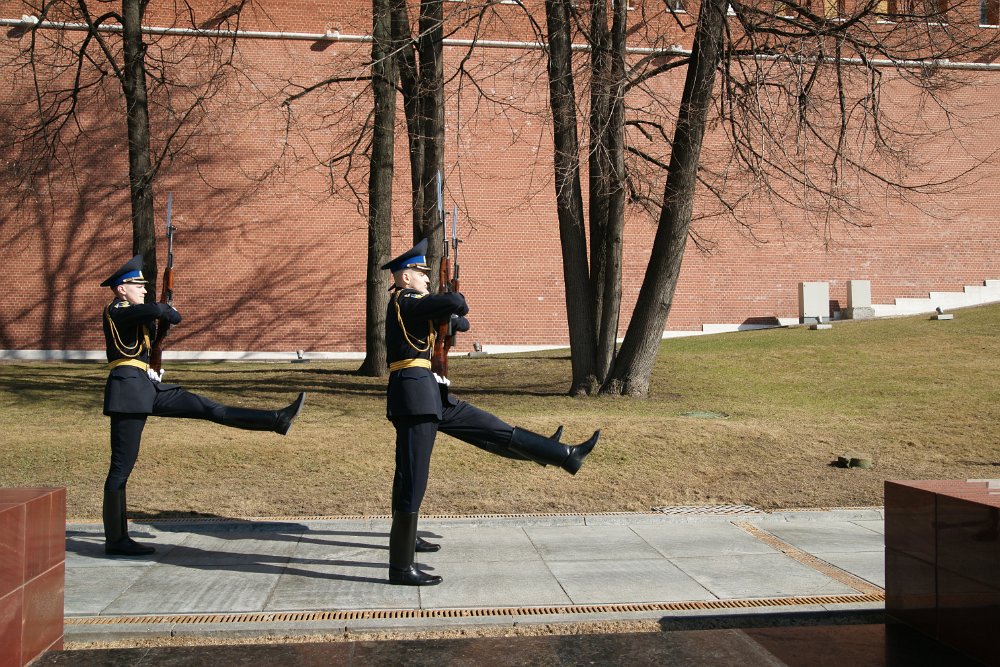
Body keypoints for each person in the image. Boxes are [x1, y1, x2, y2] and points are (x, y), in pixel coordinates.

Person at [382, 239, 600, 586]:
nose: (426, 279)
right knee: (412, 476)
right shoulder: (405, 301)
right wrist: (451, 298)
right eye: (421, 274)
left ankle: (564, 454)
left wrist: (449, 314)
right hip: (414, 398)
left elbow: (461, 323)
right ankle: (400, 567)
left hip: (430, 396)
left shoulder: (416, 307)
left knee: (490, 427)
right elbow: (457, 304)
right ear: (405, 277)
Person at [100, 255, 306, 556]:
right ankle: (116, 540)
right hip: (128, 395)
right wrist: (165, 308)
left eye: (144, 285)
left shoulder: (135, 315)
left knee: (208, 408)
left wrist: (166, 318)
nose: (143, 289)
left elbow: (168, 318)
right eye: (138, 285)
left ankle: (276, 419)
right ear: (121, 289)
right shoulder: (116, 310)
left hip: (147, 388)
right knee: (120, 469)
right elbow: (157, 310)